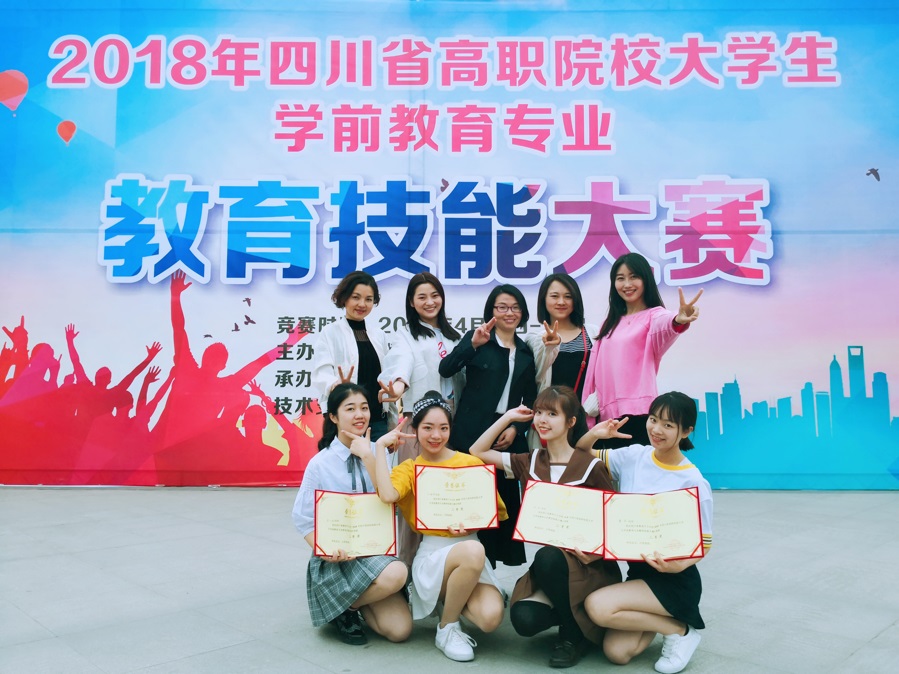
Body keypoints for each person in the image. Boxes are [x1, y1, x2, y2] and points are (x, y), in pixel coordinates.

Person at [470, 386, 624, 668]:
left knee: (547, 556)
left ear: (571, 421)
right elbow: (477, 450)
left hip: (588, 566)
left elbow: (614, 519)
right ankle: (579, 621)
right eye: (539, 412)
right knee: (524, 619)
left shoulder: (590, 466)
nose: (542, 419)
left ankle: (572, 634)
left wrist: (596, 553)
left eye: (552, 414)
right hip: (551, 568)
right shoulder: (529, 461)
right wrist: (509, 418)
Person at [576, 392, 712, 674]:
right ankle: (675, 627)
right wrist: (596, 433)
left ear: (686, 431)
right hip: (639, 573)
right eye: (653, 420)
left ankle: (682, 633)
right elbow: (582, 454)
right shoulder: (634, 456)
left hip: (674, 580)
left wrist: (677, 566)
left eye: (668, 425)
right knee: (617, 652)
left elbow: (704, 542)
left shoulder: (692, 480)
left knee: (598, 607)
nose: (656, 430)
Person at [373, 392, 507, 662]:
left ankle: (451, 600)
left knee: (490, 618)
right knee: (472, 551)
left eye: (443, 428)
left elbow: (496, 512)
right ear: (415, 430)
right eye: (428, 428)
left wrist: (472, 522)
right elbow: (387, 495)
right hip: (434, 556)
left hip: (471, 549)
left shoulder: (470, 463)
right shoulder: (410, 468)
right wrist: (379, 448)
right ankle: (447, 628)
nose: (436, 435)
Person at [291, 383, 412, 646]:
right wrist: (325, 550)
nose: (360, 415)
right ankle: (347, 603)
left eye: (364, 408)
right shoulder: (320, 463)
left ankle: (346, 606)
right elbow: (303, 518)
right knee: (396, 573)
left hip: (373, 554)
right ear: (333, 417)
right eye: (350, 409)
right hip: (338, 559)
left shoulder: (379, 452)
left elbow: (388, 499)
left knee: (400, 630)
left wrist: (369, 455)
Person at [438, 284, 537, 567]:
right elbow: (446, 369)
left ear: (522, 312)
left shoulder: (526, 351)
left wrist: (517, 428)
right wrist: (471, 345)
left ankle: (494, 569)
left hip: (507, 433)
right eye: (502, 307)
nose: (509, 313)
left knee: (503, 504)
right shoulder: (479, 338)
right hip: (472, 432)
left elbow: (531, 398)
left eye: (515, 307)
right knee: (473, 501)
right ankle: (472, 566)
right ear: (491, 311)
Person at [377, 272, 464, 564]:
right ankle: (405, 567)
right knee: (413, 498)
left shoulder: (455, 336)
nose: (430, 302)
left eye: (435, 295)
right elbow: (401, 362)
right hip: (419, 426)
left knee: (447, 498)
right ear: (411, 303)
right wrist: (397, 387)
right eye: (422, 297)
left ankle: (444, 565)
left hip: (451, 427)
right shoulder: (406, 336)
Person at [581, 253, 702, 448]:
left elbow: (666, 324)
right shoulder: (609, 323)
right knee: (610, 468)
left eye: (634, 277)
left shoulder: (653, 316)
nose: (627, 284)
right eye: (620, 278)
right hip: (607, 418)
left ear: (645, 279)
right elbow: (593, 373)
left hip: (638, 416)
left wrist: (678, 319)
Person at [310, 271, 391, 440]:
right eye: (356, 297)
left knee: (377, 458)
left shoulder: (379, 335)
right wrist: (336, 385)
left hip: (377, 421)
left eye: (368, 299)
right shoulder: (330, 332)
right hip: (344, 420)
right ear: (344, 298)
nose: (362, 304)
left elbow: (387, 376)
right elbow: (321, 372)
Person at [526, 273, 598, 401]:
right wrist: (550, 348)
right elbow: (537, 376)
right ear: (543, 299)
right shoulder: (534, 338)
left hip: (587, 411)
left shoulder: (593, 333)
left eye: (568, 296)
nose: (561, 302)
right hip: (549, 411)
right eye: (554, 296)